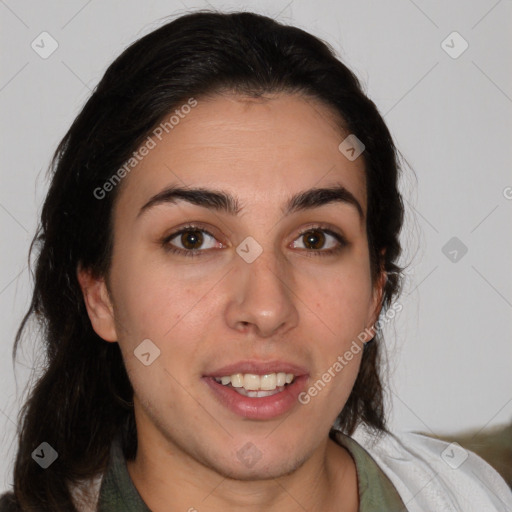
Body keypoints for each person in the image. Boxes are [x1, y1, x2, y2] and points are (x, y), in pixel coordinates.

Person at [1, 10, 510, 512]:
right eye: (194, 239)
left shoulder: (473, 496)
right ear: (100, 294)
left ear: (377, 289)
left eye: (315, 240)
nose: (266, 309)